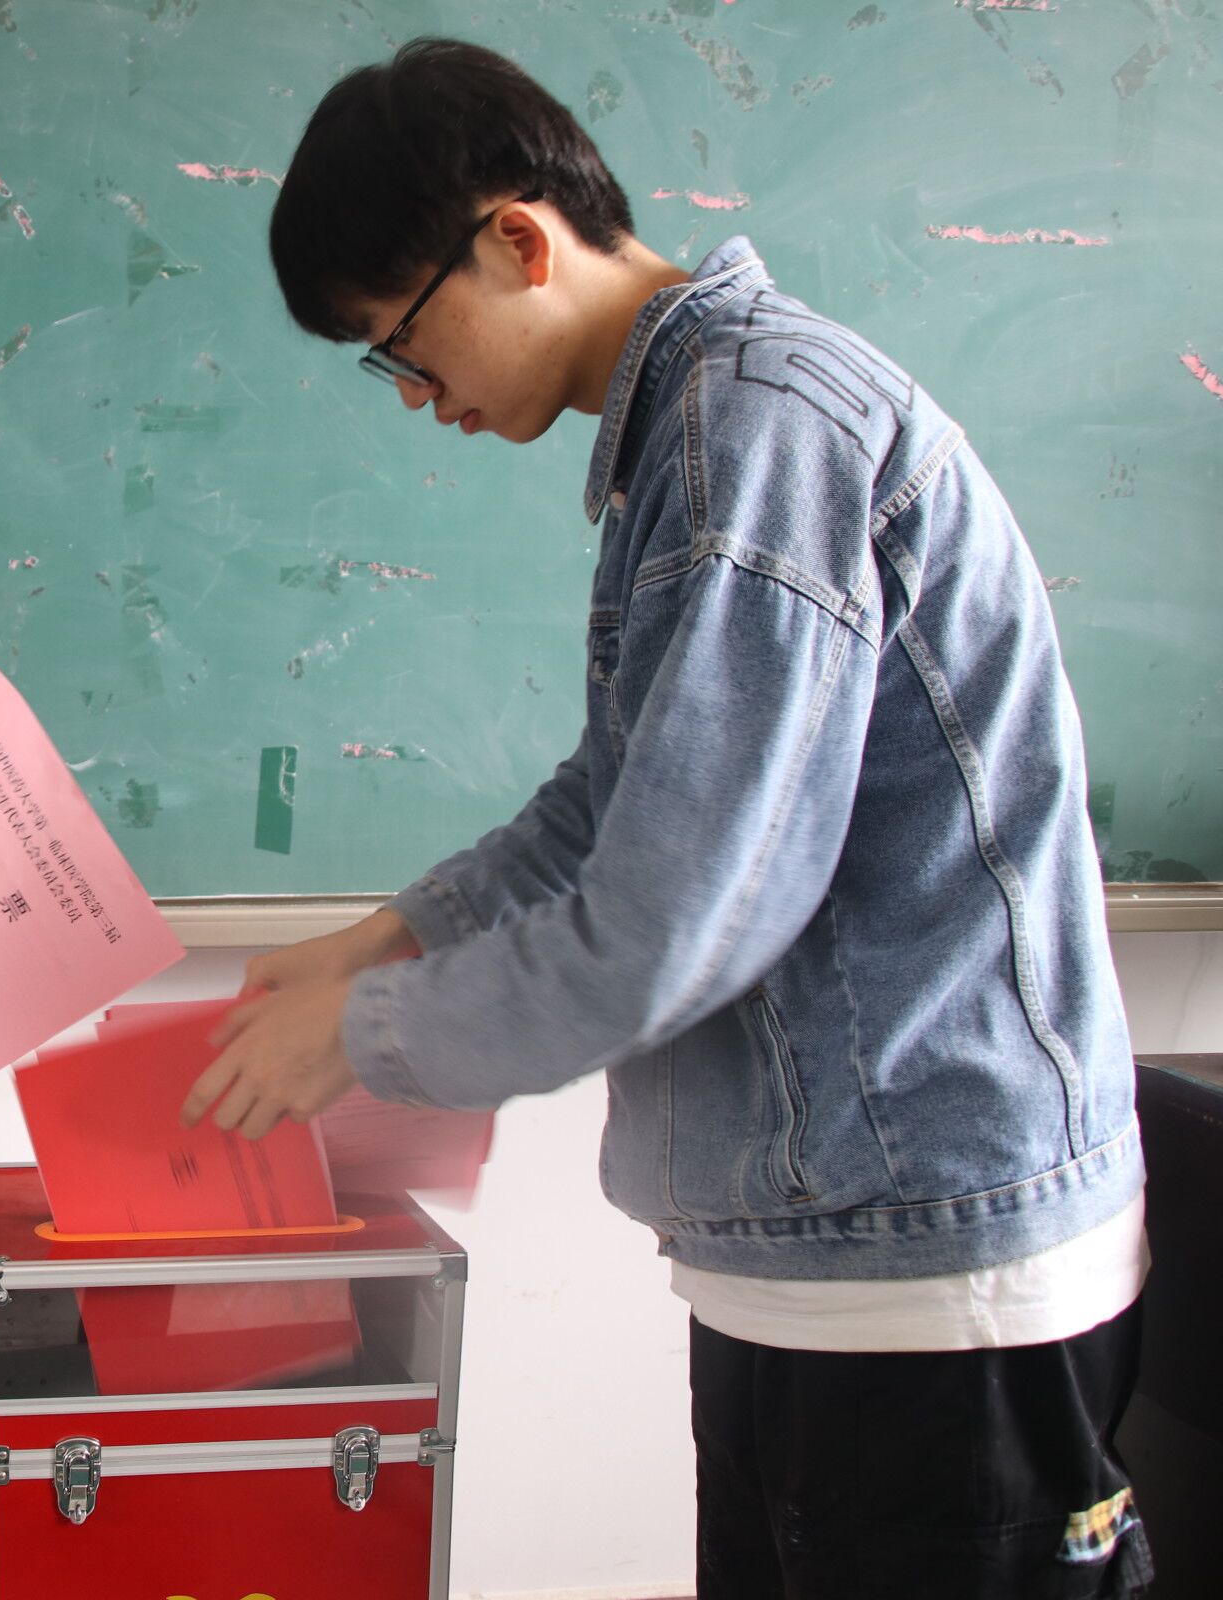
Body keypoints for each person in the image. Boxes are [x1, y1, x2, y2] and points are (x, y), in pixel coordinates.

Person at [182, 38, 1152, 1599]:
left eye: (403, 343)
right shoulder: (693, 433)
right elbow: (614, 802)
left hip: (928, 1270)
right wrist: (385, 938)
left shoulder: (757, 435)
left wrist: (360, 1038)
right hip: (825, 1251)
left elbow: (680, 914)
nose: (418, 399)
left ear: (518, 240)